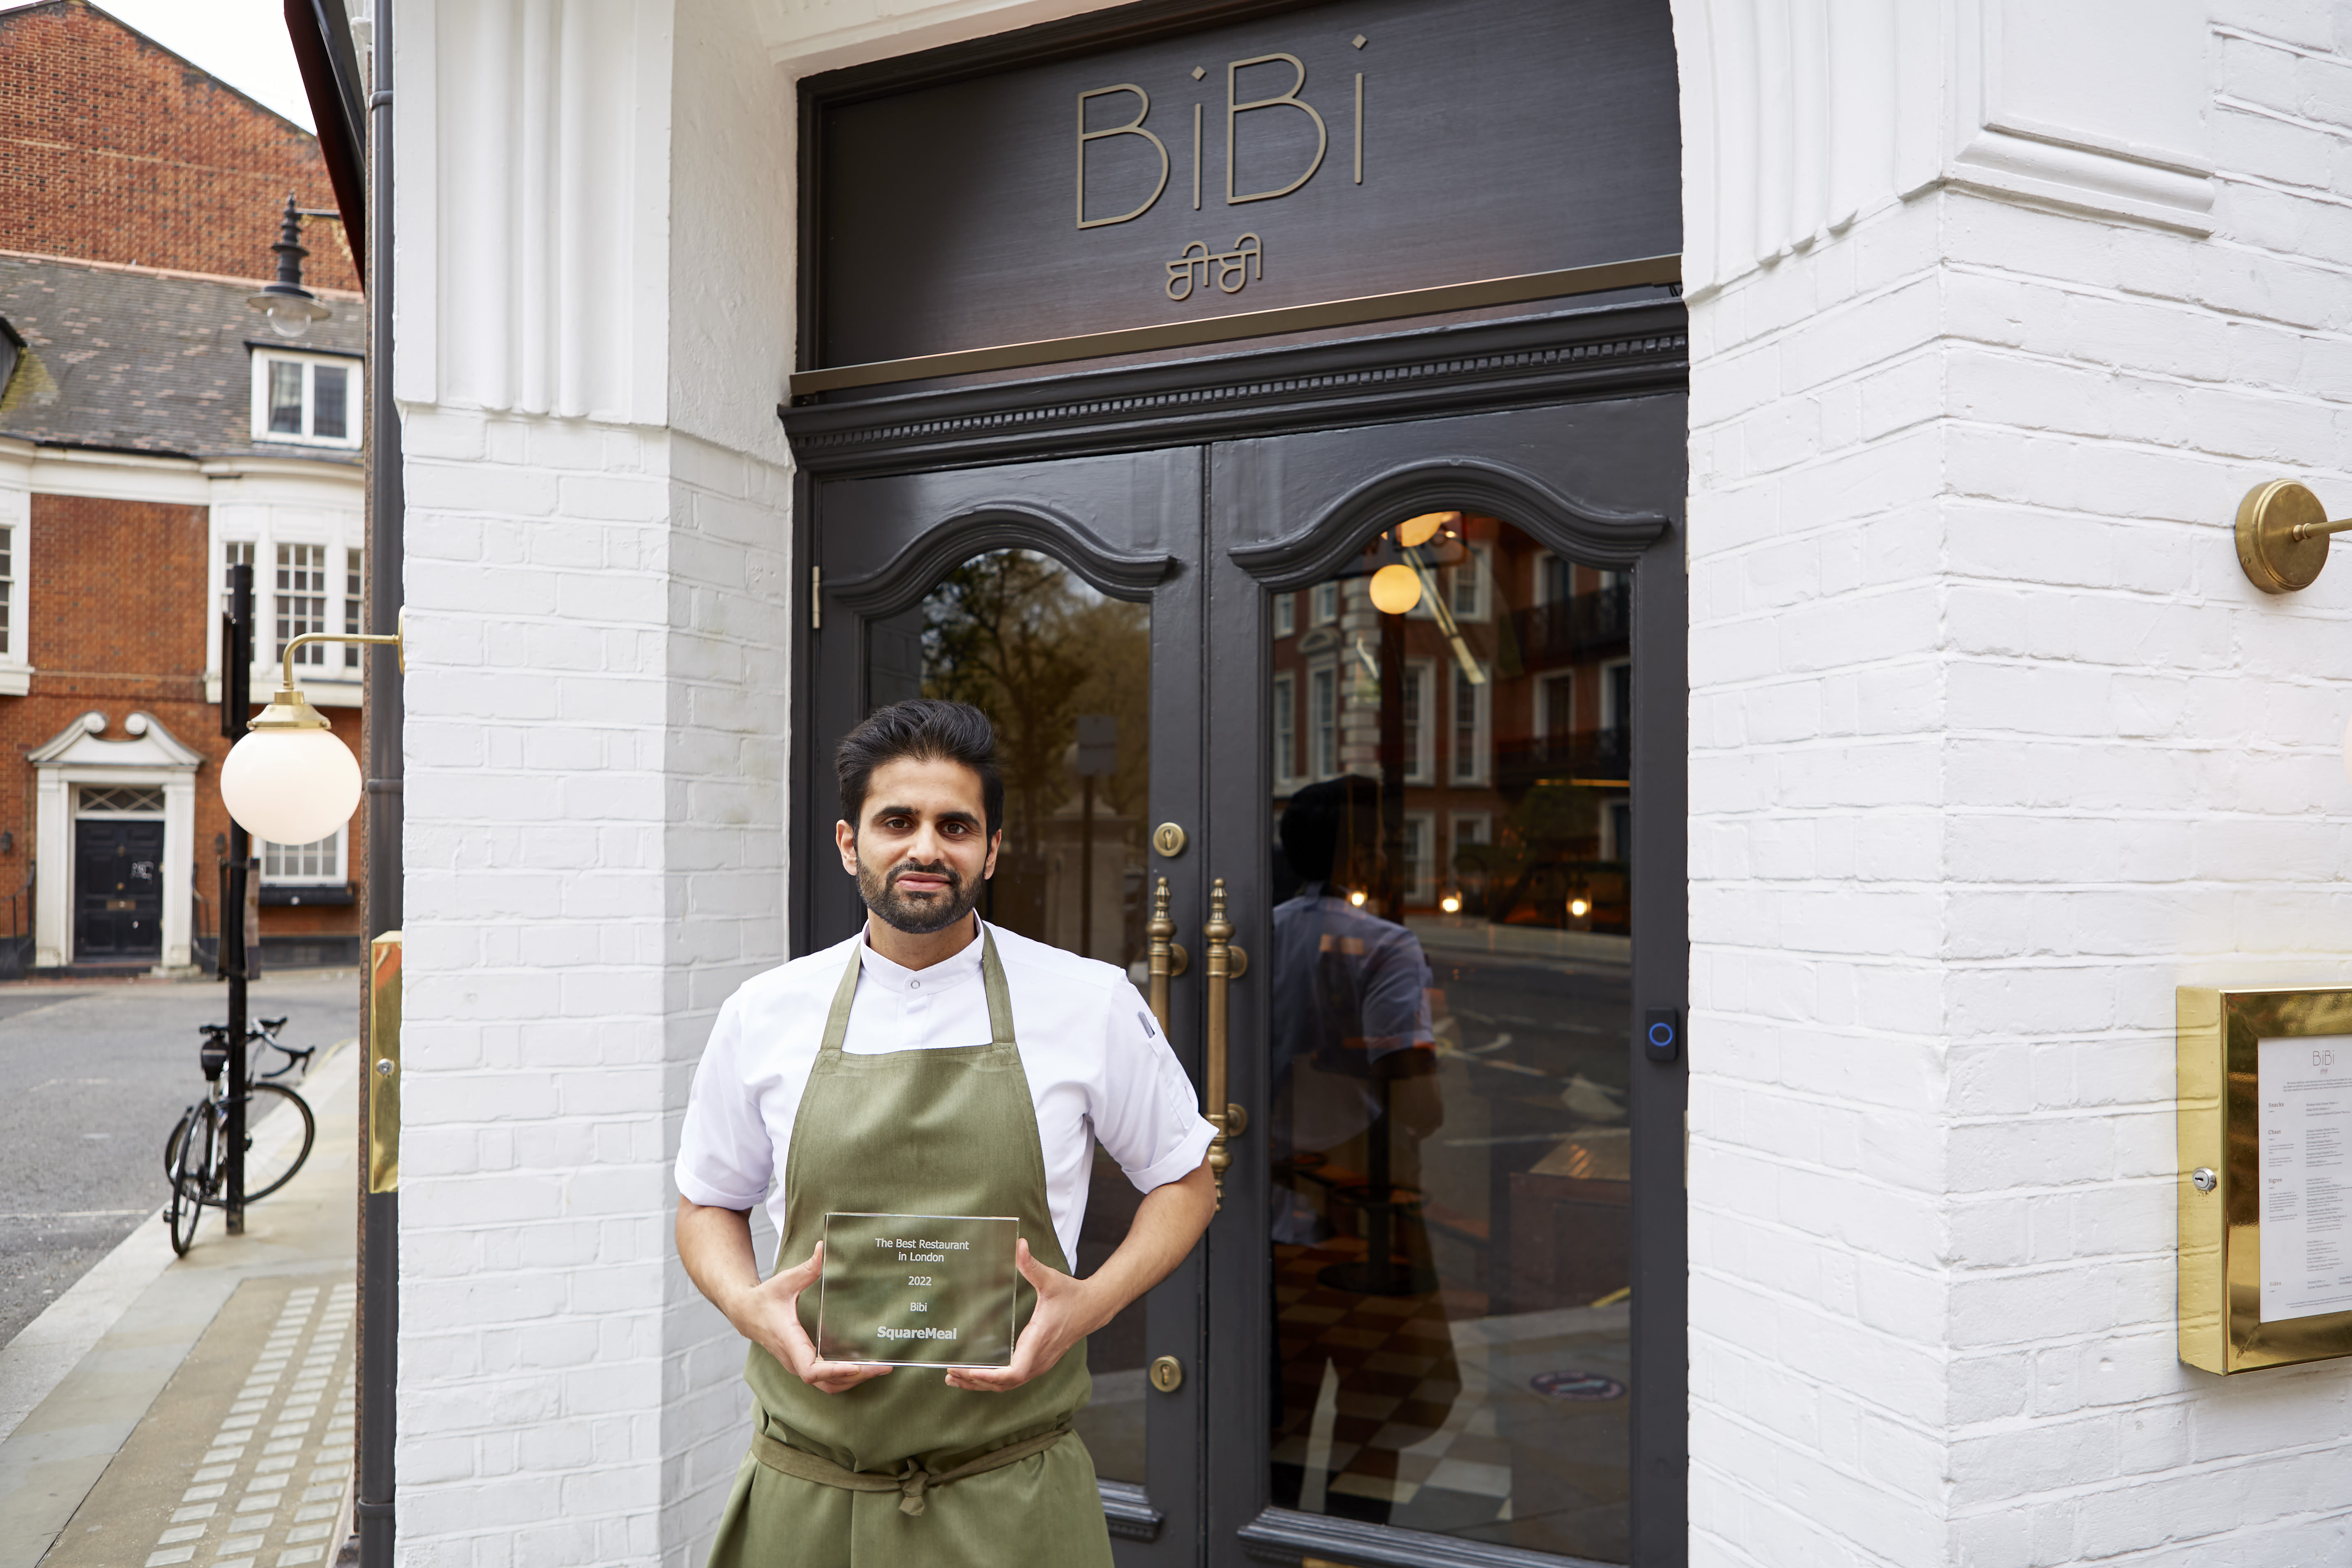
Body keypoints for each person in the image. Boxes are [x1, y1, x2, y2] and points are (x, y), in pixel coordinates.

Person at [676, 698, 1217, 1567]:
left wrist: (1091, 1305)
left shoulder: (1086, 1001)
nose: (927, 847)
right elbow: (707, 1203)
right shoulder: (766, 1012)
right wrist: (748, 1306)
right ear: (851, 841)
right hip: (811, 1495)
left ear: (991, 849)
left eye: (955, 825)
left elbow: (1187, 1182)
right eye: (898, 821)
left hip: (1014, 1497)